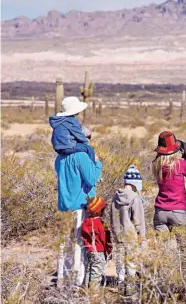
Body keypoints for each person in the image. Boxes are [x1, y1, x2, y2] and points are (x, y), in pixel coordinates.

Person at [54, 126, 103, 287]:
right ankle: (75, 283)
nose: (89, 140)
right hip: (79, 205)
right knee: (78, 243)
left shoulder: (59, 158)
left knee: (64, 243)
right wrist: (97, 163)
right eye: (88, 137)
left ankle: (62, 279)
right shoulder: (82, 156)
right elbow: (92, 179)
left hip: (63, 206)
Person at [110, 165, 146, 294]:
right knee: (130, 261)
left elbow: (112, 216)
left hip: (118, 234)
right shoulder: (135, 198)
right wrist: (142, 236)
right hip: (131, 236)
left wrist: (114, 232)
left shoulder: (115, 197)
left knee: (120, 260)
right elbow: (139, 220)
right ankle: (130, 287)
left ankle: (120, 284)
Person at [151, 131, 186, 233]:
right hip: (180, 211)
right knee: (183, 246)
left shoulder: (156, 165)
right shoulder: (180, 164)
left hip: (160, 211)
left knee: (163, 247)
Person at [50, 96, 95, 162]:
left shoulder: (59, 120)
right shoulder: (71, 120)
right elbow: (78, 134)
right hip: (68, 146)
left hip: (57, 147)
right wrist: (86, 142)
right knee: (89, 149)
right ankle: (93, 168)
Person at [81, 196, 112, 288]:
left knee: (89, 270)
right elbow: (105, 239)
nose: (104, 211)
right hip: (99, 251)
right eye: (103, 209)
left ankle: (86, 288)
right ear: (99, 211)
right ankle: (94, 292)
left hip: (89, 250)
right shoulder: (100, 224)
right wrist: (109, 251)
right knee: (96, 272)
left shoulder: (85, 222)